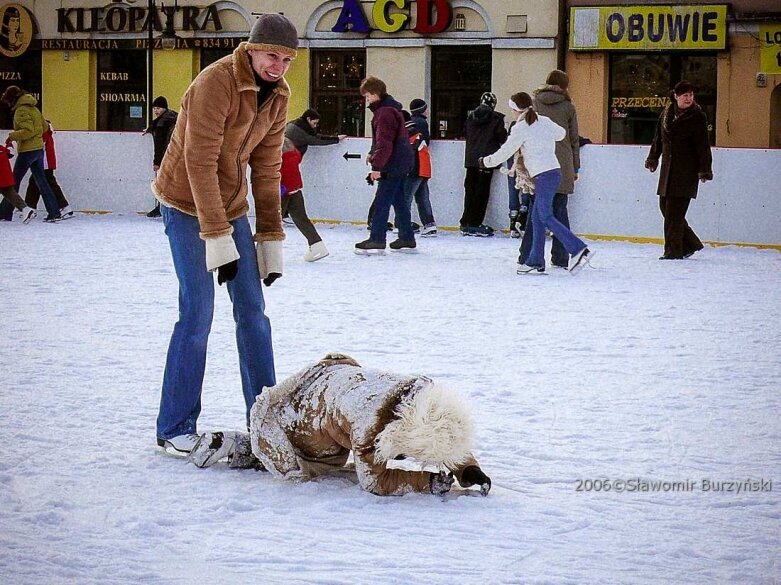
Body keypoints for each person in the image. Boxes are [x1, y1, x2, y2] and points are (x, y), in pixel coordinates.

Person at [151, 13, 298, 456]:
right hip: (184, 203)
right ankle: (175, 426)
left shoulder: (279, 95)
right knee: (198, 312)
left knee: (253, 311)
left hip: (229, 208)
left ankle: (265, 420)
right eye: (272, 55)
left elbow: (267, 166)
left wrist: (268, 235)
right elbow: (199, 162)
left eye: (288, 58)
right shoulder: (215, 83)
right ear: (251, 49)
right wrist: (217, 237)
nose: (279, 65)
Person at [187, 353, 492, 497]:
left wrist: (466, 467)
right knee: (308, 465)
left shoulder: (422, 389)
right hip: (306, 423)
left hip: (332, 381)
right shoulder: (370, 430)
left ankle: (250, 443)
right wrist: (424, 483)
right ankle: (238, 444)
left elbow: (445, 428)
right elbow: (375, 482)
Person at [481, 92, 594, 275]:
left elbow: (505, 152)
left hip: (544, 177)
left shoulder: (520, 128)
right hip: (553, 173)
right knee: (536, 219)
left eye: (512, 109)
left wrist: (485, 162)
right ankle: (536, 260)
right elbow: (561, 134)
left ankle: (578, 249)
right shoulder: (543, 121)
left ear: (516, 110)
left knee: (546, 216)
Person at [518, 70, 581, 268]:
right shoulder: (568, 107)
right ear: (564, 86)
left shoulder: (533, 104)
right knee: (560, 210)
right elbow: (573, 140)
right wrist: (575, 167)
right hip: (561, 165)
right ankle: (561, 257)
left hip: (539, 164)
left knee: (536, 212)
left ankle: (526, 255)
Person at [645, 80, 713, 260]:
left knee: (674, 214)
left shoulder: (697, 116)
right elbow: (658, 139)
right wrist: (653, 158)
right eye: (685, 95)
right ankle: (690, 244)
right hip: (667, 172)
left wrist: (705, 169)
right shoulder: (666, 113)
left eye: (691, 95)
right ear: (675, 96)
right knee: (666, 209)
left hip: (686, 172)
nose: (688, 98)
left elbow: (703, 146)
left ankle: (673, 251)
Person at [354, 76, 415, 254]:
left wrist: (377, 168)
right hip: (401, 162)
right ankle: (407, 237)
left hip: (392, 164)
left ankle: (377, 238)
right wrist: (374, 154)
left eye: (366, 96)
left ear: (374, 94)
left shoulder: (384, 113)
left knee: (382, 201)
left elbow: (385, 143)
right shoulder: (389, 110)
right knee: (399, 201)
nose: (366, 99)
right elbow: (384, 141)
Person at [0, 86, 62, 222]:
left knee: (13, 182)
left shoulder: (21, 110)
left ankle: (4, 213)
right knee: (42, 182)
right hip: (39, 149)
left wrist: (12, 136)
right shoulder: (34, 108)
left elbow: (28, 130)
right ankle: (54, 212)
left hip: (27, 151)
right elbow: (45, 127)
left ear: (12, 99)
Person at [460, 92, 507, 237]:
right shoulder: (496, 118)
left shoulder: (470, 117)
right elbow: (502, 137)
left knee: (470, 191)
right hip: (487, 161)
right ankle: (475, 223)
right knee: (482, 192)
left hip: (471, 160)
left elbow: (464, 133)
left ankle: (465, 222)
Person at [280, 137, 329, 261]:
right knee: (300, 217)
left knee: (271, 222)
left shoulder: (269, 141)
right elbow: (297, 157)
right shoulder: (287, 141)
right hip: (294, 184)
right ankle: (317, 245)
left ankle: (268, 254)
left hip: (281, 187)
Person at [24, 119, 74, 220]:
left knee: (49, 183)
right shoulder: (47, 132)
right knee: (34, 183)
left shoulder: (43, 133)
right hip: (46, 161)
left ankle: (63, 206)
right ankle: (30, 208)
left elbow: (39, 146)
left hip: (44, 162)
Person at [404, 98, 436, 236]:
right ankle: (429, 224)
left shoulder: (412, 124)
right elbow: (424, 142)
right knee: (422, 197)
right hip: (423, 165)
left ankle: (402, 223)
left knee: (406, 196)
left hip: (414, 166)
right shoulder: (422, 123)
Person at [143, 96, 178, 218]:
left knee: (162, 184)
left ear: (164, 108)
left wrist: (157, 162)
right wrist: (150, 129)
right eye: (154, 108)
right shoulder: (172, 118)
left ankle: (161, 207)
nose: (155, 111)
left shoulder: (162, 123)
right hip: (175, 156)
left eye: (158, 108)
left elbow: (159, 144)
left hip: (166, 157)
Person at [0, 141, 36, 223]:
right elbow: (10, 152)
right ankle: (26, 210)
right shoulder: (2, 149)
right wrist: (9, 143)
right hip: (6, 176)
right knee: (10, 194)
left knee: (9, 193)